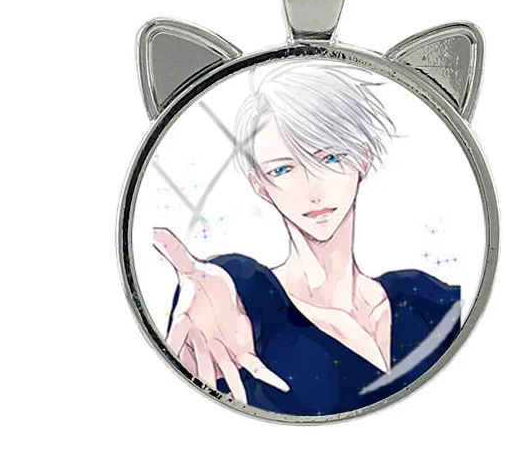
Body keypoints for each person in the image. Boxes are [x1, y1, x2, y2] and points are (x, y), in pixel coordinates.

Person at [153, 61, 462, 417]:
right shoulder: (248, 300)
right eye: (283, 169)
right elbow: (217, 293)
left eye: (330, 157)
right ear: (260, 185)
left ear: (361, 158)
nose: (312, 189)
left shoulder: (427, 302)